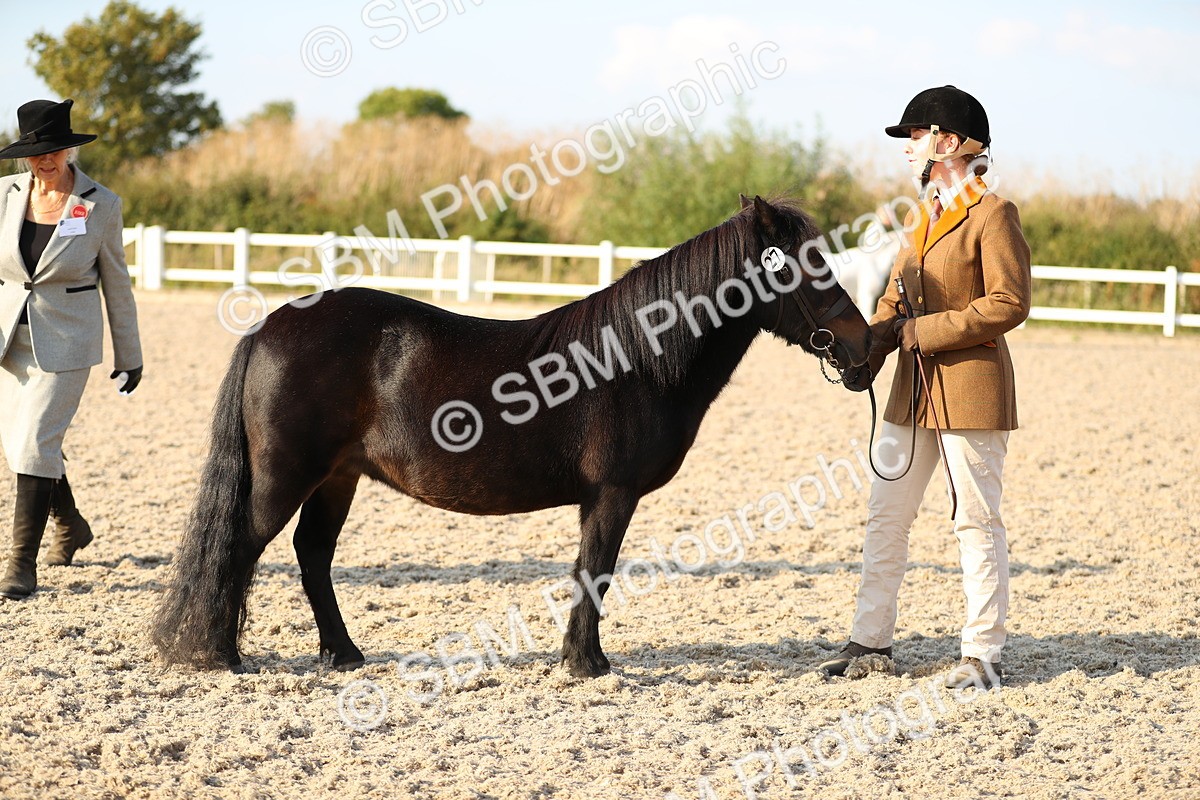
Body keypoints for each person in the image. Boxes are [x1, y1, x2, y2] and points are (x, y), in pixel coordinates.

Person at [827, 86, 1031, 689]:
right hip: (911, 392)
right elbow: (894, 300)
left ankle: (983, 653)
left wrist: (924, 331)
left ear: (949, 143)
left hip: (971, 387)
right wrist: (867, 350)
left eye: (916, 136)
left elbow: (1009, 302)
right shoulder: (920, 218)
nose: (908, 147)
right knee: (886, 516)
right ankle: (870, 641)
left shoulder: (994, 215)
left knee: (975, 520)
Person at [0, 98, 143, 600]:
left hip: (66, 344)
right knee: (23, 445)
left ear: (69, 150)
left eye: (54, 149)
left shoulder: (100, 204)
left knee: (32, 443)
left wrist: (130, 354)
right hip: (8, 342)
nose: (45, 159)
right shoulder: (4, 194)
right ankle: (71, 524)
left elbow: (117, 284)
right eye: (36, 151)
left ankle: (20, 564)